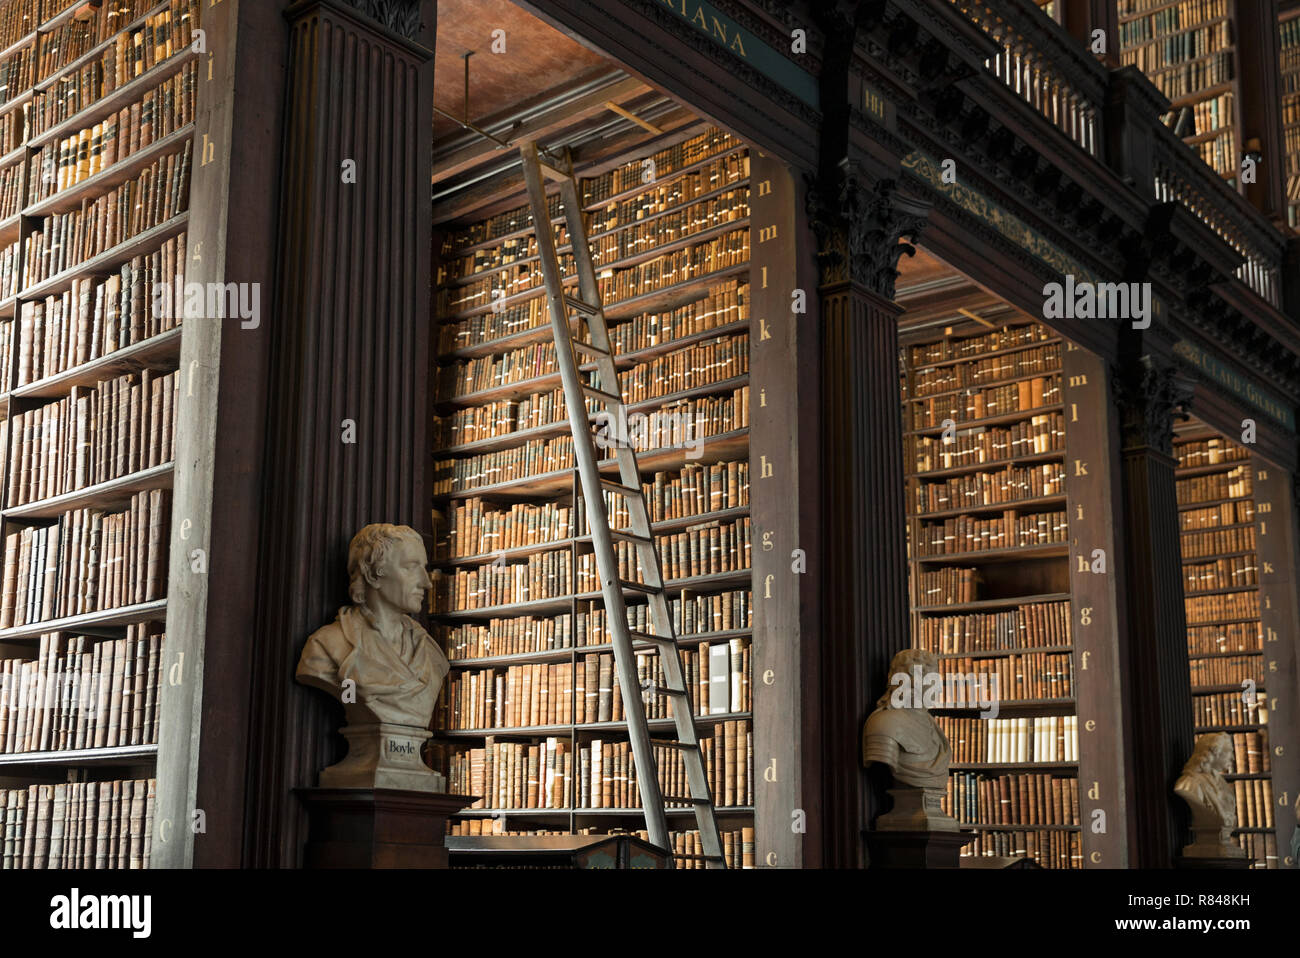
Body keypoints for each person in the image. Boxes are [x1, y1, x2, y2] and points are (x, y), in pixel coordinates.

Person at [297, 523, 449, 729]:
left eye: (424, 568)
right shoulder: (327, 646)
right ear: (372, 574)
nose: (426, 582)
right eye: (411, 567)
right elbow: (349, 694)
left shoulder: (431, 654)